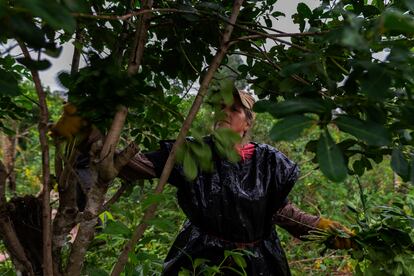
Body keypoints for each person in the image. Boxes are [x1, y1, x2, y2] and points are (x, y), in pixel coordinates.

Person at [119, 89, 354, 275]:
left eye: (234, 109)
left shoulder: (268, 163)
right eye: (220, 107)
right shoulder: (193, 152)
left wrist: (323, 229)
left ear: (248, 123)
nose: (224, 113)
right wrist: (97, 143)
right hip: (201, 258)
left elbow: (281, 211)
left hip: (255, 262)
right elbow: (140, 166)